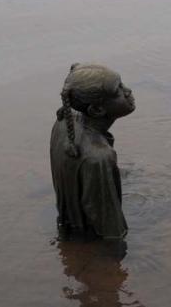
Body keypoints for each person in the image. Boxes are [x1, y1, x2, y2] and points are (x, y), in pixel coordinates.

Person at [50, 63, 136, 239]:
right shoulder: (98, 157)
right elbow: (111, 230)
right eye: (118, 90)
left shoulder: (64, 122)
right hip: (89, 238)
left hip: (70, 222)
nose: (128, 90)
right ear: (97, 110)